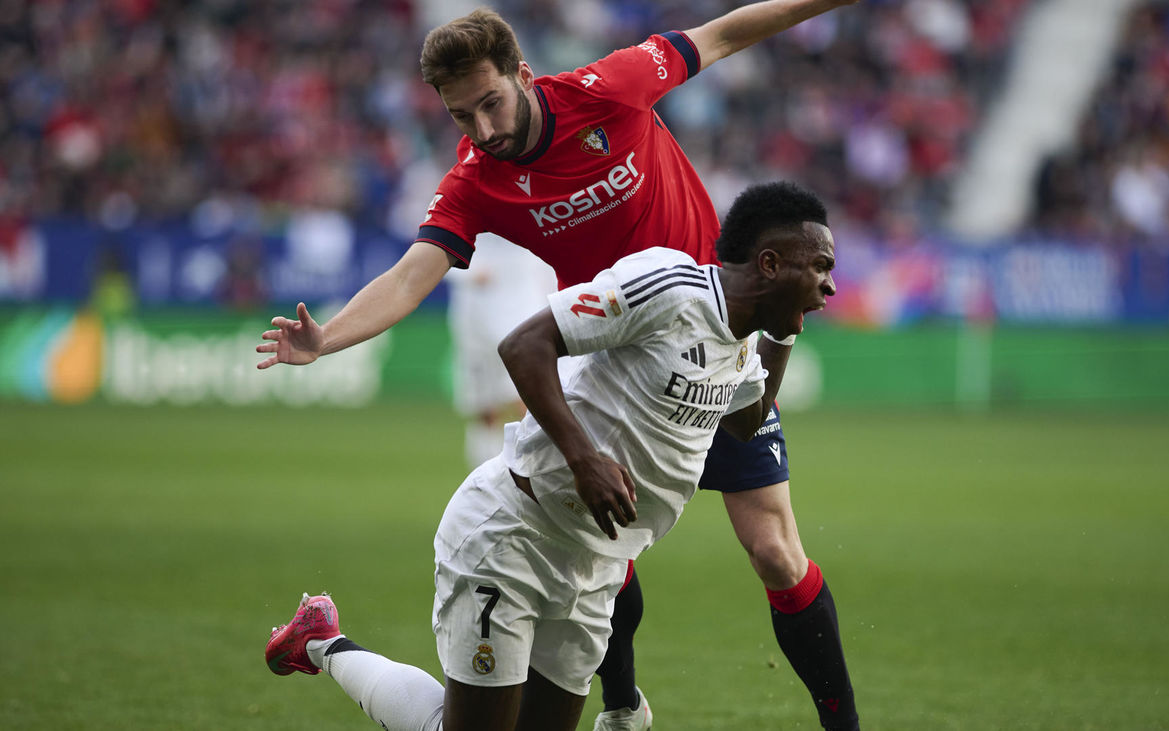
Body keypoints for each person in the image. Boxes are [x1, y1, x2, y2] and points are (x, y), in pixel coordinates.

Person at [256, 4, 861, 729]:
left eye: (490, 103)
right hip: (616, 376)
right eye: (460, 116)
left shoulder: (611, 87)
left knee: (773, 550)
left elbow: (725, 33)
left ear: (524, 75)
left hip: (717, 347)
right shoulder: (478, 178)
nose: (482, 129)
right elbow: (413, 274)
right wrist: (328, 340)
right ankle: (623, 705)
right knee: (603, 539)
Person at [445, 232, 557, 468]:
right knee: (484, 404)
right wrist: (469, 274)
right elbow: (434, 251)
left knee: (527, 397)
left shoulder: (530, 209)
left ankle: (539, 466)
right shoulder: (460, 204)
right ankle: (482, 473)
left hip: (521, 314)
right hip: (474, 318)